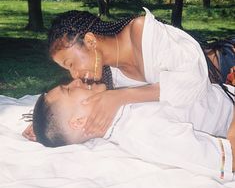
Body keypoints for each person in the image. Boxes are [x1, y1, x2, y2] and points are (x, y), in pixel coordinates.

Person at [47, 8, 235, 136]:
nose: (74, 75)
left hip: (227, 64)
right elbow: (80, 107)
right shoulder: (109, 76)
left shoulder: (140, 31)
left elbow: (195, 83)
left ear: (90, 41)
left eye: (70, 63)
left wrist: (123, 96)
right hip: (223, 97)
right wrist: (51, 125)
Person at [32, 79, 235, 182]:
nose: (75, 80)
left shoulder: (118, 102)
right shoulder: (145, 131)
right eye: (69, 89)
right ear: (78, 121)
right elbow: (229, 158)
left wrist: (43, 127)